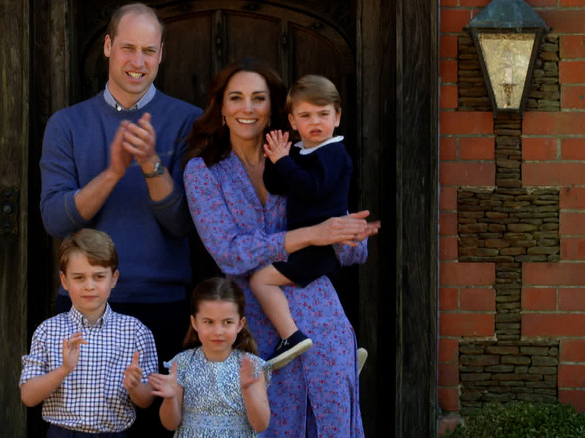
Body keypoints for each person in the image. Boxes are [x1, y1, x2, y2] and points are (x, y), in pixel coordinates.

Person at [183, 58, 379, 437]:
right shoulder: (204, 171)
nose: (247, 108)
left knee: (331, 424)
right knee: (270, 426)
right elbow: (228, 252)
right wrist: (309, 235)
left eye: (258, 98)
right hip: (253, 324)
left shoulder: (302, 158)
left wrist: (350, 235)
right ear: (221, 108)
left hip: (322, 316)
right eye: (236, 98)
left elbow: (343, 241)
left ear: (272, 109)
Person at [39, 3, 202, 436]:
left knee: (158, 430)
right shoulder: (67, 125)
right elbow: (56, 220)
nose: (138, 61)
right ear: (108, 46)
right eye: (128, 47)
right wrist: (112, 172)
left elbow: (186, 223)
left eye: (149, 50)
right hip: (85, 309)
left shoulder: (188, 122)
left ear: (162, 54)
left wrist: (150, 164)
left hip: (163, 309)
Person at [249, 74, 358, 370]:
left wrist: (285, 161)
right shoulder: (301, 151)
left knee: (260, 280)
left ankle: (291, 337)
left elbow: (312, 189)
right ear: (293, 121)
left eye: (323, 114)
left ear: (337, 117)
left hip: (319, 247)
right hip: (305, 242)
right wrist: (276, 157)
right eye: (306, 115)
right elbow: (277, 185)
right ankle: (340, 354)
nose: (316, 122)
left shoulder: (334, 153)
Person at [19, 228, 158, 437]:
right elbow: (28, 396)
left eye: (99, 276)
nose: (89, 286)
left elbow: (146, 401)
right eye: (79, 278)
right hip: (62, 432)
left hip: (114, 433)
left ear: (114, 278)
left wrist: (136, 387)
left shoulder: (135, 332)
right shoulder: (48, 331)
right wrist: (64, 369)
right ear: (64, 281)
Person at [149, 277, 270, 437]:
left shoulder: (251, 365)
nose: (218, 331)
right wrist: (170, 398)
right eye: (209, 322)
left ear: (240, 324)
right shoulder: (182, 363)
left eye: (227, 322)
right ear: (195, 322)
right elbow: (170, 424)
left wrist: (248, 390)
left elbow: (261, 425)